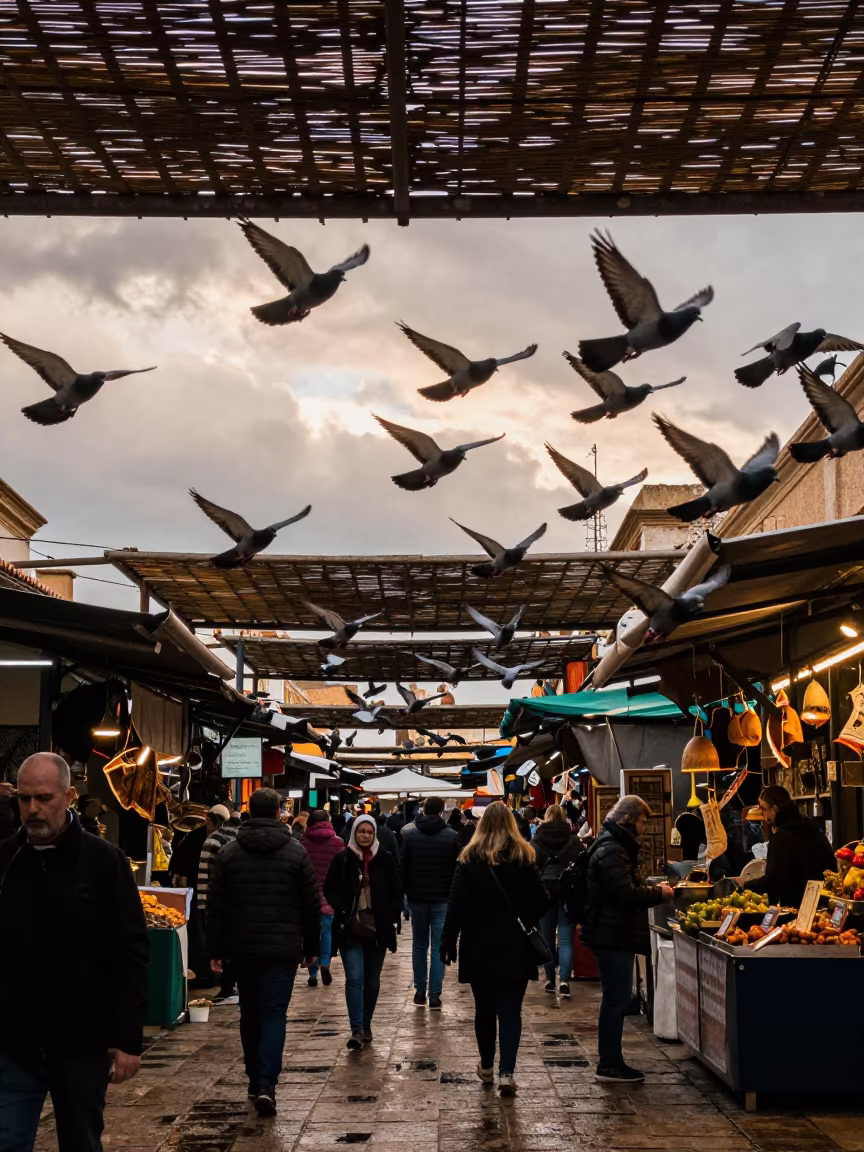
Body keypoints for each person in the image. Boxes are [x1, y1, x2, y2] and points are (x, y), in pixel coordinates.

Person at [0, 753, 148, 1151]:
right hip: (15, 1044)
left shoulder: (104, 863)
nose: (33, 809)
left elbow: (131, 952)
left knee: (81, 1143)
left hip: (81, 1044)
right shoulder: (5, 861)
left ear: (69, 795)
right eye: (24, 798)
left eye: (44, 798)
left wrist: (127, 1038)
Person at [206, 787, 320, 1118]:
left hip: (242, 947)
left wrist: (214, 949)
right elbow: (311, 905)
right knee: (274, 1013)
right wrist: (311, 948)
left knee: (250, 1012)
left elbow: (216, 906)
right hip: (282, 948)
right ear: (276, 814)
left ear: (250, 812)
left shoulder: (229, 853)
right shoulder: (296, 853)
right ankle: (268, 1083)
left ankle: (255, 1079)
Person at [441, 802, 549, 1097]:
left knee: (485, 1010)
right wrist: (523, 918)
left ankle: (487, 1066)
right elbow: (542, 901)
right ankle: (507, 1073)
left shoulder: (469, 859)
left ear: (482, 825)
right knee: (511, 1010)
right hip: (515, 944)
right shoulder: (524, 857)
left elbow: (456, 906)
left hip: (479, 944)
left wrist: (447, 941)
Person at [580, 795, 674, 1085]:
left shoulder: (612, 845)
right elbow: (624, 894)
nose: (645, 826)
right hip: (612, 934)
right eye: (643, 820)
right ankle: (609, 1063)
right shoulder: (612, 850)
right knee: (615, 1000)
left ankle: (611, 1060)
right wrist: (659, 894)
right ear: (628, 819)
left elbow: (624, 885)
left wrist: (644, 885)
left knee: (615, 998)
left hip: (612, 932)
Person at [324, 815, 403, 1051]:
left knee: (371, 981)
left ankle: (366, 1023)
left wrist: (390, 914)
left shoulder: (385, 860)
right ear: (354, 833)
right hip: (351, 928)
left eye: (369, 832)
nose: (365, 835)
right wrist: (343, 908)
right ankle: (356, 1028)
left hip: (377, 928)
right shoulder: (343, 859)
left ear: (375, 834)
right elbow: (329, 888)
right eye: (361, 831)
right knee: (355, 978)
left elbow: (397, 891)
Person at [401, 796, 460, 1009]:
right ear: (442, 810)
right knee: (437, 946)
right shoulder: (452, 837)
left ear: (423, 809)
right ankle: (435, 994)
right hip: (442, 898)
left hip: (417, 898)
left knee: (419, 945)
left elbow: (403, 869)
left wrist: (406, 893)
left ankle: (419, 991)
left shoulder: (409, 835)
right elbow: (456, 871)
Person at [742, 785, 835, 907]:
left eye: (764, 809)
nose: (763, 815)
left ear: (774, 809)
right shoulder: (813, 828)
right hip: (823, 903)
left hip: (795, 909)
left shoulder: (782, 836)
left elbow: (774, 881)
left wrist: (746, 885)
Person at [532, 804, 584, 998]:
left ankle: (549, 980)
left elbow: (531, 866)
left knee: (546, 939)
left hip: (545, 892)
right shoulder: (573, 840)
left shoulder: (537, 839)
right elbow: (581, 865)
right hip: (567, 893)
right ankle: (564, 981)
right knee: (565, 939)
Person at [197, 804, 238, 1005]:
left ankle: (226, 985)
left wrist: (204, 906)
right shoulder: (240, 839)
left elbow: (204, 877)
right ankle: (232, 984)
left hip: (219, 901)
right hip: (238, 902)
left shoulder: (212, 841)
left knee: (221, 943)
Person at [302, 810, 344, 987]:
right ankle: (325, 962)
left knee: (310, 932)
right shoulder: (338, 843)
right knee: (326, 930)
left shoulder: (302, 843)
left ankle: (313, 973)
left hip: (308, 893)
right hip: (329, 892)